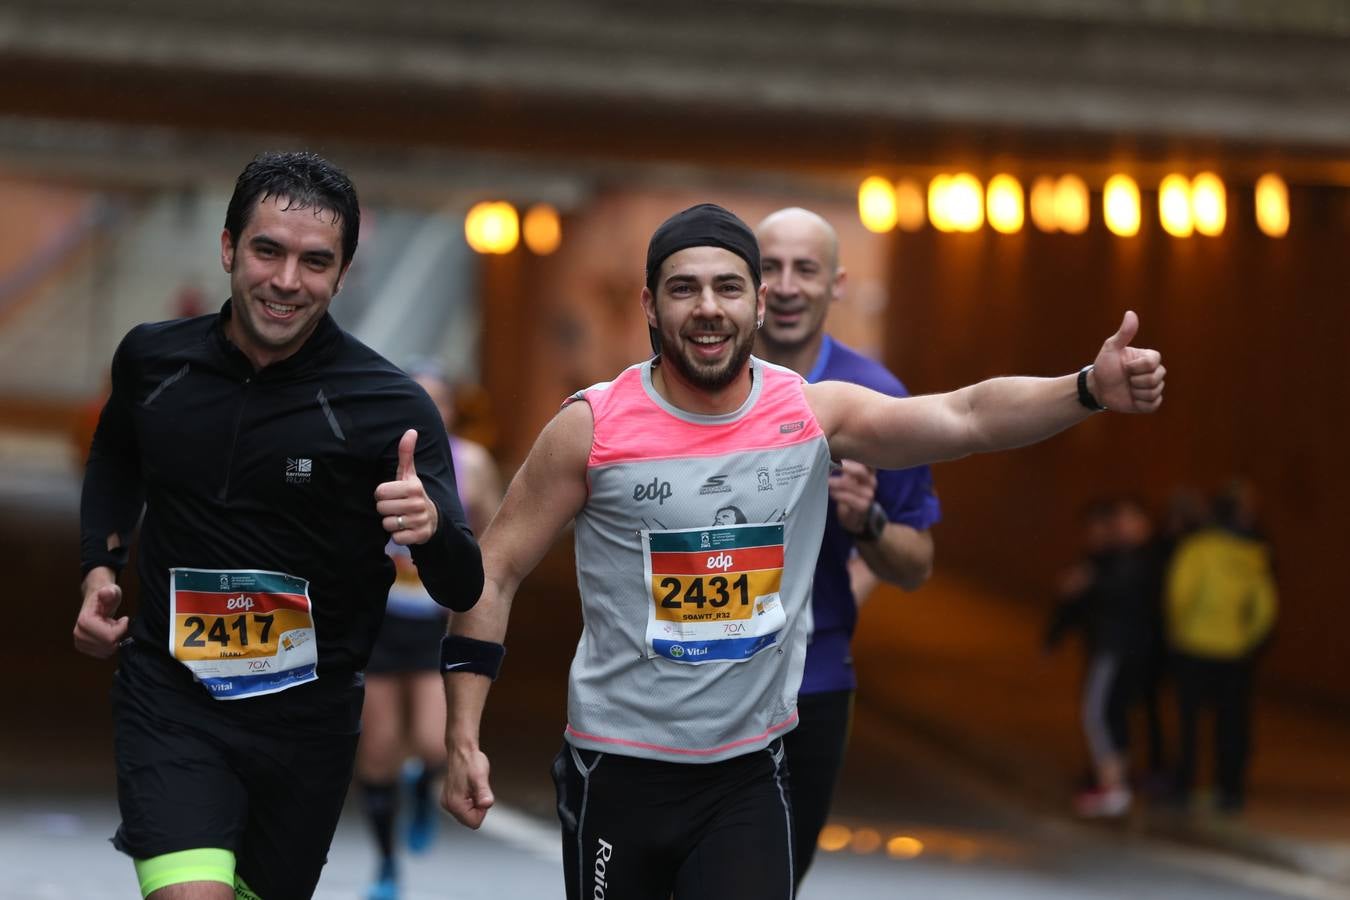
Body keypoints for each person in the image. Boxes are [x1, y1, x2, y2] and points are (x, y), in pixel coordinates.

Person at [440, 203, 1165, 900]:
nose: (708, 308)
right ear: (650, 307)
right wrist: (462, 734)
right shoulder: (591, 427)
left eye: (728, 287)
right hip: (619, 769)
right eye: (683, 288)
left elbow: (962, 415)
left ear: (756, 304)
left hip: (748, 776)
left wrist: (1086, 390)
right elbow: (493, 572)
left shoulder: (809, 412)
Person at [72, 151, 484, 900]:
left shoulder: (389, 408)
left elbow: (464, 581)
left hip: (307, 726)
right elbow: (114, 457)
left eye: (315, 261)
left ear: (345, 270)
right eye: (268, 250)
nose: (287, 281)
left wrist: (430, 530)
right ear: (229, 248)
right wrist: (100, 567)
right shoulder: (153, 360)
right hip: (173, 699)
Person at [752, 207, 939, 883]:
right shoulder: (695, 383)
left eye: (807, 268)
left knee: (771, 881)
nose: (788, 284)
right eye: (770, 266)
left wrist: (870, 524)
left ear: (836, 283)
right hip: (691, 674)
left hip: (813, 683)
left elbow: (916, 564)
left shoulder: (876, 400)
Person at [358, 366, 502, 900]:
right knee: (376, 751)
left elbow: (491, 539)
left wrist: (472, 592)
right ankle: (387, 863)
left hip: (435, 622)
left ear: (452, 409)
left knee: (428, 741)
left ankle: (422, 788)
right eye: (420, 399)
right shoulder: (373, 457)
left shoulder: (471, 464)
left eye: (439, 400)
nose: (430, 409)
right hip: (380, 620)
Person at [1165, 481, 1277, 813]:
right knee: (1232, 725)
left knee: (1189, 723)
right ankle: (1230, 791)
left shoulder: (1197, 547)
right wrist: (1247, 639)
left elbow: (1179, 593)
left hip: (1193, 647)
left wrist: (1177, 630)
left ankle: (1184, 787)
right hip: (1234, 652)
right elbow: (1265, 607)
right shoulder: (1253, 554)